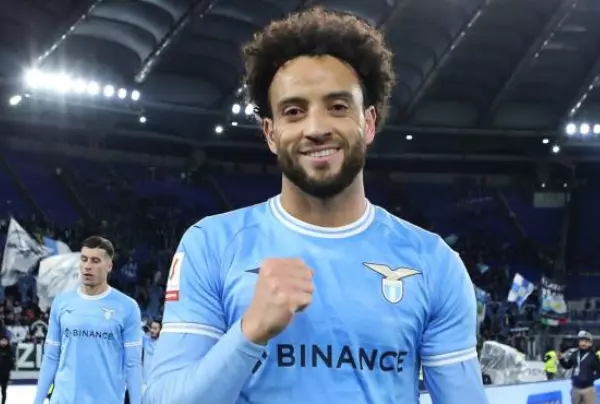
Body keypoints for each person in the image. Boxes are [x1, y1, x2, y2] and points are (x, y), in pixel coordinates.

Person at [145, 7, 487, 404]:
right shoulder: (210, 245)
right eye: (294, 111)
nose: (316, 128)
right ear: (271, 133)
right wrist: (250, 331)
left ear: (370, 122)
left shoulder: (433, 262)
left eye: (338, 107)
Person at [33, 236, 143, 404]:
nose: (87, 266)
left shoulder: (127, 307)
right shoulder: (61, 302)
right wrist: (38, 401)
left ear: (109, 266)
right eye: (84, 259)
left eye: (95, 261)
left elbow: (133, 364)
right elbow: (50, 358)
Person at [559, 331, 600, 404]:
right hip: (575, 388)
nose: (584, 343)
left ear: (590, 344)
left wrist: (591, 379)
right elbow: (568, 366)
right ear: (579, 342)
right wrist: (561, 360)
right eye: (582, 341)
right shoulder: (574, 354)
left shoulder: (594, 357)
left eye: (586, 342)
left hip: (588, 389)